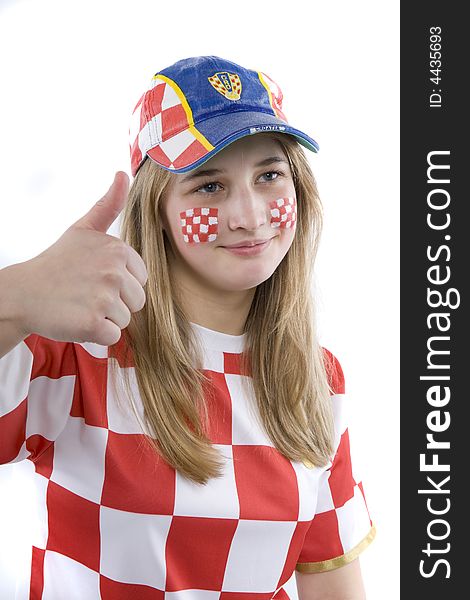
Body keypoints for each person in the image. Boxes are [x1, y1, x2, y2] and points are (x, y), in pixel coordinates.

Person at [0, 55, 375, 599]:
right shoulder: (76, 352)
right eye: (208, 186)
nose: (249, 215)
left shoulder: (318, 378)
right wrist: (14, 294)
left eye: (269, 175)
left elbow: (333, 583)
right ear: (157, 209)